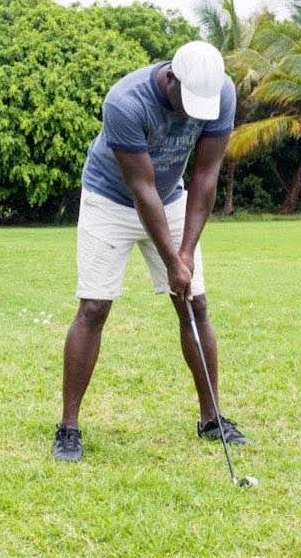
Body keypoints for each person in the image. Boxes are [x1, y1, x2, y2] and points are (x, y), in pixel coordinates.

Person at [52, 40, 249, 462]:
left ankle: (211, 418)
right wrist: (170, 259)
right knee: (94, 308)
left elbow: (205, 176)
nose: (192, 114)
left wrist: (188, 253)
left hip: (172, 198)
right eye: (187, 101)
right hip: (111, 199)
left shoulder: (221, 93)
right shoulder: (126, 102)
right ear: (170, 78)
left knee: (195, 304)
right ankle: (68, 427)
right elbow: (141, 190)